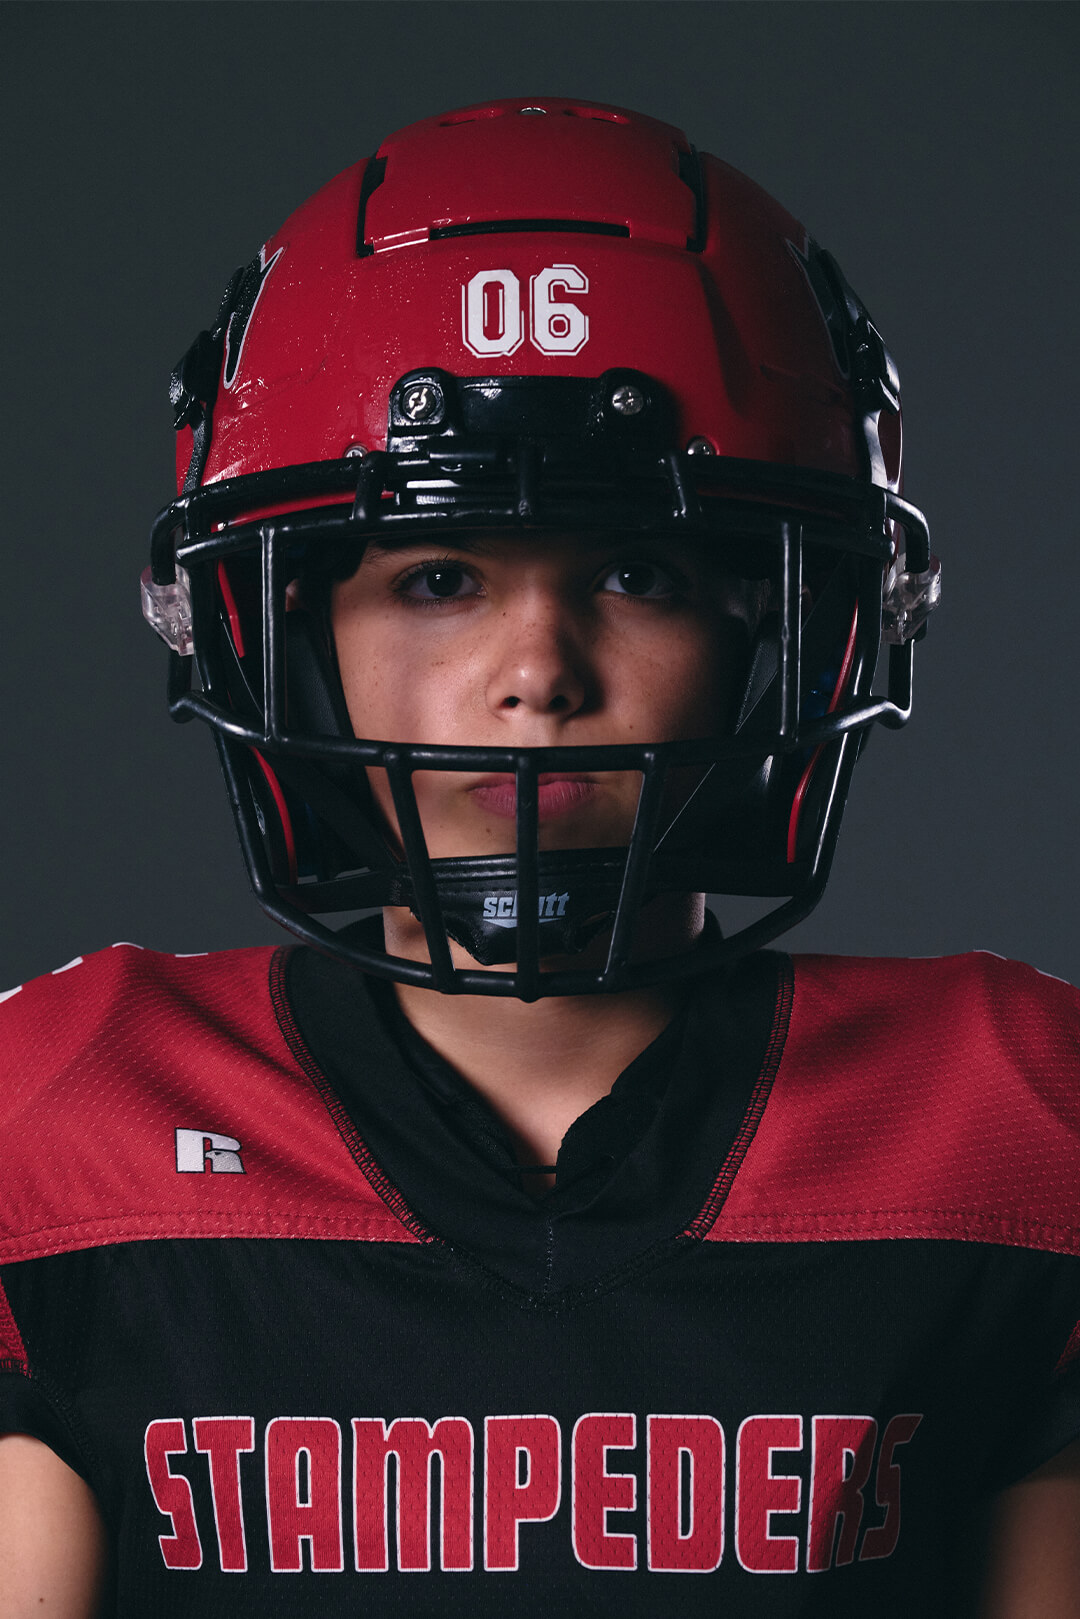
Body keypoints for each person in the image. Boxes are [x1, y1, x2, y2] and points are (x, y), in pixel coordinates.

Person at [1, 97, 1078, 1617]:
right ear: (287, 629)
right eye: (439, 576)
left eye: (638, 572)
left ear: (781, 627)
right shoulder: (65, 1114)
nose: (536, 675)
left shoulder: (1015, 1119)